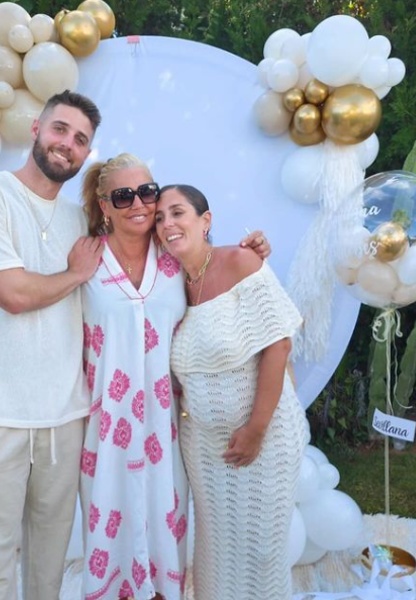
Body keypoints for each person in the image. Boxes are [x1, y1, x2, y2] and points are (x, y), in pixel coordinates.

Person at [78, 156, 271, 600]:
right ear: (104, 205)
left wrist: (252, 253)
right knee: (110, 526)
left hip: (165, 426)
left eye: (147, 192)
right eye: (124, 196)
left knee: (165, 529)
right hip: (105, 427)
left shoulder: (172, 258)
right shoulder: (85, 258)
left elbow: (218, 277)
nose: (139, 204)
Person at [0, 90, 103, 600]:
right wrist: (74, 274)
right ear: (36, 127)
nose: (67, 145)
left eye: (81, 140)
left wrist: (239, 253)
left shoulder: (79, 221)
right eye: (61, 129)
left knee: (50, 560)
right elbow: (12, 294)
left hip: (64, 413)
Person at [154, 184, 308, 600]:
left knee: (261, 553)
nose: (167, 223)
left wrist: (256, 429)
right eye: (160, 217)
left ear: (206, 221)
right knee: (215, 553)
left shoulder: (241, 261)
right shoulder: (167, 283)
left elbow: (279, 344)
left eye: (178, 212)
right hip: (204, 449)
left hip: (266, 438)